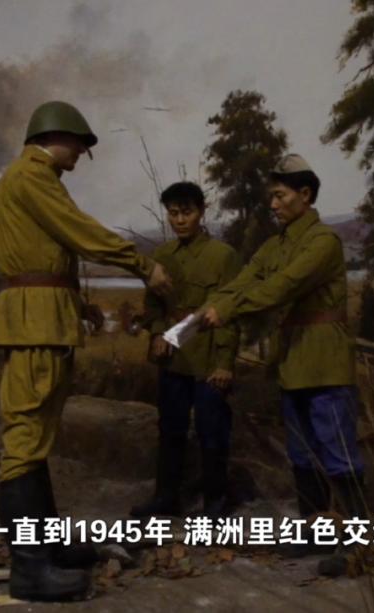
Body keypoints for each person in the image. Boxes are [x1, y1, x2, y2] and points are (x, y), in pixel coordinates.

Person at [0, 100, 173, 602]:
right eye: (79, 147)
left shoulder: (28, 179)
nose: (80, 157)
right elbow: (81, 231)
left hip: (42, 318)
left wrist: (76, 303)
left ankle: (46, 549)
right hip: (36, 325)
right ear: (58, 136)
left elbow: (45, 254)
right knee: (25, 441)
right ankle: (30, 570)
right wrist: (142, 265)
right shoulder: (33, 176)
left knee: (36, 439)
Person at [199, 154, 368, 577]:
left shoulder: (323, 242)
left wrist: (228, 310)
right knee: (303, 454)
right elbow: (246, 279)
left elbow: (282, 286)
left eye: (280, 196)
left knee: (338, 452)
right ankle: (316, 533)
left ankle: (358, 545)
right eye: (271, 197)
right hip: (293, 360)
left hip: (325, 361)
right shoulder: (275, 244)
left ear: (305, 194)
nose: (272, 205)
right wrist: (209, 308)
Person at [131, 182, 241, 520]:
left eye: (187, 212)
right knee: (170, 430)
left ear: (201, 211)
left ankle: (215, 506)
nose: (180, 220)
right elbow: (152, 306)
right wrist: (156, 332)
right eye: (173, 213)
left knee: (212, 432)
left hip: (208, 357)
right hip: (174, 357)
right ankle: (166, 499)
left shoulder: (223, 256)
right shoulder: (163, 257)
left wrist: (224, 363)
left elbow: (230, 314)